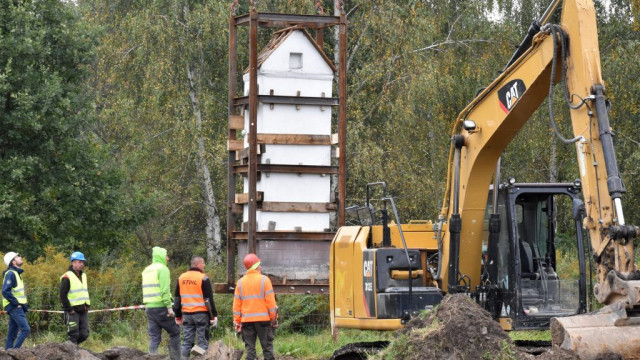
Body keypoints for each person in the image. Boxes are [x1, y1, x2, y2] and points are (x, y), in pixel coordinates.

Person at [233, 253, 278, 360]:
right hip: (263, 321)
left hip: (247, 321)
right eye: (259, 265)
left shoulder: (240, 283)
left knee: (250, 350)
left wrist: (237, 322)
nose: (261, 267)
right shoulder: (265, 280)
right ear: (256, 266)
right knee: (267, 349)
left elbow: (236, 305)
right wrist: (274, 319)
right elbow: (271, 304)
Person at [173, 256, 218, 359]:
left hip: (187, 315)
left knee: (187, 343)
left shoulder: (181, 278)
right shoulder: (203, 278)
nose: (204, 265)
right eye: (203, 263)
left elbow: (177, 299)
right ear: (197, 264)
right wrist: (213, 316)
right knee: (203, 342)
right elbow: (208, 300)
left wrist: (178, 315)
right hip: (201, 315)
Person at [142, 247, 181, 360]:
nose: (168, 258)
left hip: (149, 307)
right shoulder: (163, 269)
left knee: (154, 337)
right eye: (166, 255)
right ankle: (176, 358)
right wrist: (169, 307)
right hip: (161, 307)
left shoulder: (146, 270)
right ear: (161, 256)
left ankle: (152, 357)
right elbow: (164, 290)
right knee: (175, 332)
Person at [59, 251, 90, 345]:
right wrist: (69, 309)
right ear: (73, 263)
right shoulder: (67, 276)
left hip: (83, 309)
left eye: (82, 262)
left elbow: (84, 291)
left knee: (85, 334)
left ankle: (72, 348)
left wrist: (87, 305)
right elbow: (62, 295)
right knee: (73, 334)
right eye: (79, 262)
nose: (82, 264)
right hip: (73, 310)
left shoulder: (83, 275)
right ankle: (71, 351)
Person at [2, 252, 30, 349]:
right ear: (13, 262)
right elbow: (5, 291)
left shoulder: (16, 274)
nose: (20, 257)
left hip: (16, 306)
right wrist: (16, 304)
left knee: (12, 333)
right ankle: (15, 352)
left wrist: (22, 305)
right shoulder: (11, 274)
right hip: (14, 306)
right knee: (25, 329)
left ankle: (7, 355)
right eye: (18, 256)